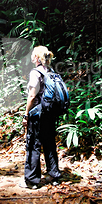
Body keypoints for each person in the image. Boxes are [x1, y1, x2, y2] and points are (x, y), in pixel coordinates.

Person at [20, 46, 62, 189]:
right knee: (49, 143)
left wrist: (26, 115)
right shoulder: (51, 72)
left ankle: (32, 181)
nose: (31, 57)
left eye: (33, 55)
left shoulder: (35, 72)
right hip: (50, 114)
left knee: (33, 144)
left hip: (37, 114)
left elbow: (32, 96)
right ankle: (54, 175)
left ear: (37, 58)